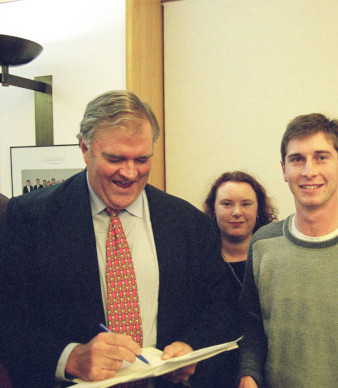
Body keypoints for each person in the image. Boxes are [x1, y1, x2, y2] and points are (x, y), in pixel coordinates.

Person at [0, 90, 238, 388]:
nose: (129, 172)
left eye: (141, 159)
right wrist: (71, 358)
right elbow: (9, 320)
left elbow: (220, 306)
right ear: (84, 148)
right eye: (115, 158)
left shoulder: (190, 223)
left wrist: (191, 346)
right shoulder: (31, 218)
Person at [238, 113, 338, 388]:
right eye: (297, 159)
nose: (309, 171)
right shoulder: (262, 243)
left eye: (321, 157)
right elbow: (252, 324)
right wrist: (248, 374)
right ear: (284, 169)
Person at [191, 172, 277, 388]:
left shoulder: (273, 257)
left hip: (263, 374)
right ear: (213, 209)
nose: (237, 212)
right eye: (227, 204)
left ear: (259, 209)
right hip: (209, 375)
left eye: (246, 204)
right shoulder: (197, 260)